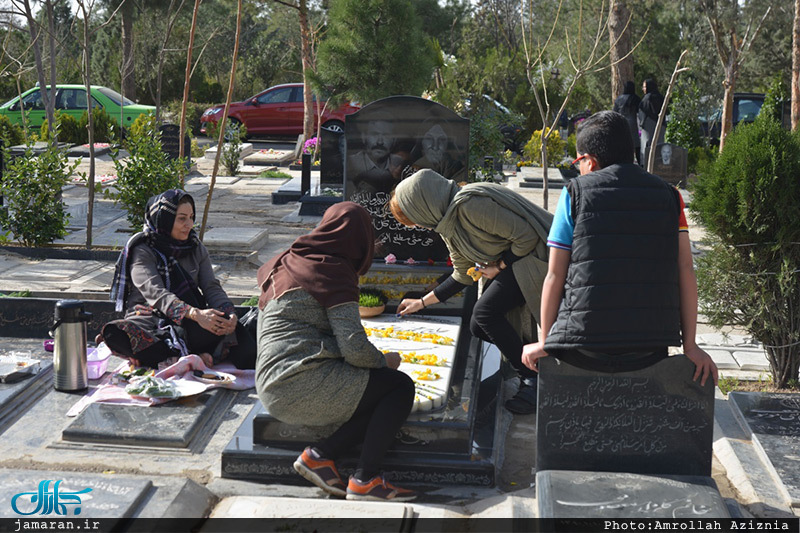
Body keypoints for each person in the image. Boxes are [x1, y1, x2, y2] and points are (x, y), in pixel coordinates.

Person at [521, 111, 718, 387]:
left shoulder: (574, 194)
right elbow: (685, 269)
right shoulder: (670, 197)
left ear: (590, 160)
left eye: (579, 162)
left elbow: (555, 274)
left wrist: (544, 342)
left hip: (582, 345)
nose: (579, 169)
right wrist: (691, 346)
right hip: (650, 347)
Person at [255, 201, 417, 502]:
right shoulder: (331, 270)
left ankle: (320, 455)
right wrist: (385, 361)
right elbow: (354, 349)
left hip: (270, 384)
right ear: (360, 238)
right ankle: (366, 479)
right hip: (299, 385)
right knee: (397, 387)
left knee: (372, 389)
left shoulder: (289, 260)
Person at [390, 170, 552, 415]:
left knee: (486, 313)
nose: (420, 226)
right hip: (515, 261)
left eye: (415, 218)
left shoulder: (469, 206)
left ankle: (532, 378)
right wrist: (421, 303)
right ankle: (531, 362)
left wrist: (498, 267)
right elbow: (464, 273)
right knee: (478, 325)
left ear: (423, 204)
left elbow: (526, 237)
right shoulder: (448, 224)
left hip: (537, 257)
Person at [103, 189, 255, 369]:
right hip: (150, 318)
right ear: (165, 220)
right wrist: (194, 314)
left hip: (190, 323)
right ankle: (190, 354)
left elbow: (211, 287)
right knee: (116, 334)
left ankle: (175, 355)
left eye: (191, 217)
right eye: (182, 218)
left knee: (236, 339)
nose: (189, 224)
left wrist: (229, 314)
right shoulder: (142, 250)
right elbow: (156, 294)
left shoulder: (195, 247)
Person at [613, 81, 641, 164]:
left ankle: (624, 162)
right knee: (636, 144)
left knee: (624, 143)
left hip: (622, 123)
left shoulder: (619, 99)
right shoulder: (635, 98)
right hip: (633, 123)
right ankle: (640, 163)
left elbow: (614, 112)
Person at [638, 78, 665, 166]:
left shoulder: (647, 98)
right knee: (659, 146)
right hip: (661, 125)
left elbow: (643, 112)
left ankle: (647, 165)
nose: (643, 89)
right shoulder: (660, 97)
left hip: (649, 126)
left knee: (647, 147)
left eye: (645, 87)